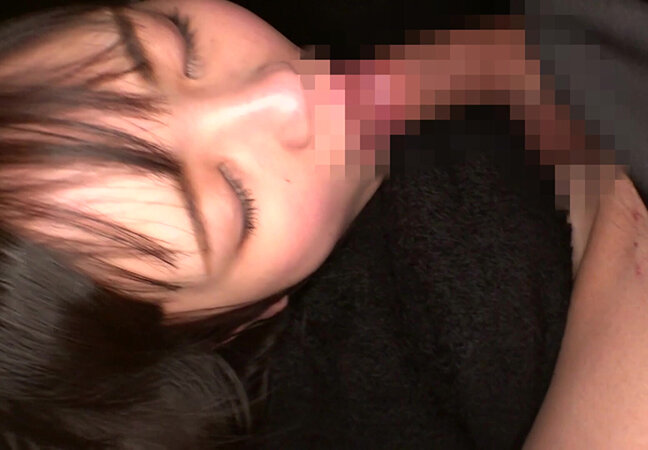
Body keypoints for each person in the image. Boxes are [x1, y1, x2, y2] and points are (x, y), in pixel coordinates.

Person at [0, 0, 553, 448]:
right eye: (237, 199)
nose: (283, 92)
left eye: (179, 40)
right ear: (235, 322)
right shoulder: (467, 344)